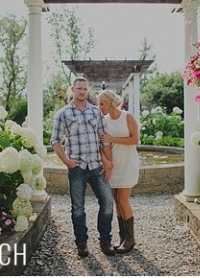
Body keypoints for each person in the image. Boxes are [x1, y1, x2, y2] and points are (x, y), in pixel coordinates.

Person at [51, 77, 116, 257]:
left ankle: (105, 241)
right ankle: (81, 243)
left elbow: (104, 141)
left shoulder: (96, 113)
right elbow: (55, 141)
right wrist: (67, 161)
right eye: (79, 88)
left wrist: (108, 164)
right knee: (78, 207)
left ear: (88, 90)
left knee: (108, 203)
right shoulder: (63, 114)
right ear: (73, 89)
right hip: (77, 168)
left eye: (85, 89)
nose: (82, 92)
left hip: (96, 166)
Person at [97, 90, 140, 254]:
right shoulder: (104, 121)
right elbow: (101, 144)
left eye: (102, 103)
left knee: (123, 200)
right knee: (116, 202)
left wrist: (112, 139)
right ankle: (123, 237)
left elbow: (135, 140)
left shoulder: (127, 117)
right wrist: (105, 162)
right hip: (113, 167)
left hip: (128, 164)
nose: (99, 106)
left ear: (110, 103)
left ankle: (130, 239)